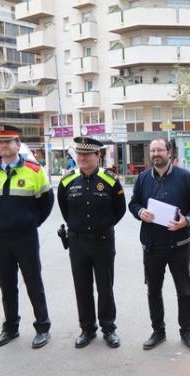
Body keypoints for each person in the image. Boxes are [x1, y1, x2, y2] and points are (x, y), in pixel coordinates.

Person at [0, 125, 53, 349]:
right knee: (7, 286)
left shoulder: (34, 170)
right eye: (0, 142)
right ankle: (11, 327)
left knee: (33, 284)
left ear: (18, 144)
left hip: (25, 238)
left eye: (8, 141)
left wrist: (31, 222)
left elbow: (46, 202)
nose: (4, 145)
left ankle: (42, 327)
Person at [128, 138, 190, 351]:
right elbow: (133, 203)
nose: (155, 154)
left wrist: (186, 221)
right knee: (154, 291)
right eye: (152, 151)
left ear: (169, 152)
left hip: (179, 245)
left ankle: (186, 332)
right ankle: (158, 331)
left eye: (159, 150)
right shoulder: (143, 178)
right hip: (152, 246)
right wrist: (139, 212)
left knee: (184, 291)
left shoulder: (185, 177)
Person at [58, 137, 126, 349]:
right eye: (79, 154)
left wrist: (102, 225)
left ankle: (109, 328)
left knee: (105, 287)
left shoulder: (110, 180)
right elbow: (64, 208)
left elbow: (120, 209)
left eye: (87, 154)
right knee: (82, 287)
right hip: (78, 243)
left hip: (103, 242)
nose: (82, 158)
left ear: (98, 156)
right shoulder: (67, 181)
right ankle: (87, 329)